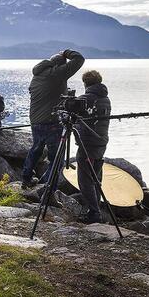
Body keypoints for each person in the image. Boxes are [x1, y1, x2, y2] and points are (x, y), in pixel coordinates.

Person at [21, 49, 85, 189]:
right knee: (56, 159)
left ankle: (26, 179)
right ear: (60, 65)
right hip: (53, 122)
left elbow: (45, 93)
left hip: (36, 120)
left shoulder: (37, 75)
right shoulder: (57, 73)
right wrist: (66, 53)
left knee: (36, 149)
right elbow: (79, 59)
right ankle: (48, 188)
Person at [75, 70, 111, 223]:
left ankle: (94, 213)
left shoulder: (86, 98)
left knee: (85, 179)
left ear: (85, 83)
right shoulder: (105, 98)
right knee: (96, 178)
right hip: (101, 142)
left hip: (88, 144)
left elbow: (73, 112)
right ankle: (97, 210)